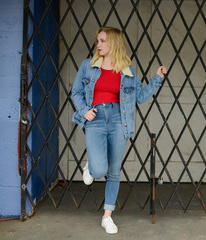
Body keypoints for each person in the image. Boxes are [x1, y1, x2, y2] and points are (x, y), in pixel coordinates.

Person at [71, 26, 167, 234]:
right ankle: (91, 166)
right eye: (98, 41)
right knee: (99, 170)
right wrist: (84, 110)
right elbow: (76, 92)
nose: (98, 45)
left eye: (102, 41)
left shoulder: (128, 70)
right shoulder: (88, 66)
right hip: (95, 118)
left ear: (113, 43)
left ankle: (107, 216)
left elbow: (139, 97)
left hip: (118, 120)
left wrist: (157, 78)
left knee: (114, 171)